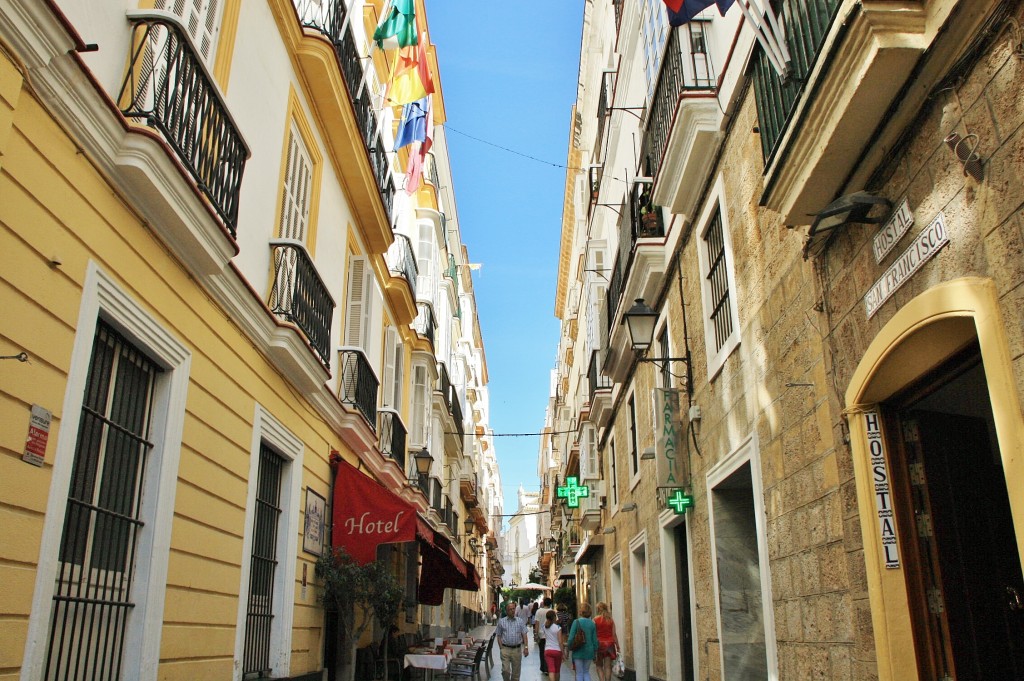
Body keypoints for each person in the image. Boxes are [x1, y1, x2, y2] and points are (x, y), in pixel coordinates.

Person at [496, 600, 530, 681]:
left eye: (513, 609)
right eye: (510, 609)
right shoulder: (502, 621)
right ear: (506, 611)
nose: (512, 611)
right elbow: (498, 635)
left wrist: (526, 647)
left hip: (517, 650)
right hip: (505, 649)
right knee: (505, 671)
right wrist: (501, 648)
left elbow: (524, 635)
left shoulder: (520, 621)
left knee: (516, 674)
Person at [566, 602, 598, 681]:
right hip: (589, 651)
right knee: (586, 672)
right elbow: (595, 640)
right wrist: (595, 651)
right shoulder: (592, 624)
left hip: (578, 650)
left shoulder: (576, 622)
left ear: (581, 611)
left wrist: (569, 647)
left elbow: (571, 638)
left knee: (579, 673)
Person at [593, 602, 619, 681]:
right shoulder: (610, 620)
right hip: (610, 645)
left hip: (599, 645)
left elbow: (593, 634)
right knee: (608, 666)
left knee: (599, 666)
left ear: (598, 610)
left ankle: (602, 680)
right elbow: (614, 634)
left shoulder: (595, 620)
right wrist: (618, 646)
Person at [542, 609, 565, 681]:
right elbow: (560, 641)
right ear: (554, 617)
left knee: (551, 670)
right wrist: (563, 653)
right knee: (557, 670)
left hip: (548, 650)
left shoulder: (544, 626)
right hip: (557, 651)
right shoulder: (558, 628)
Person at [534, 597, 553, 675]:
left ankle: (543, 668)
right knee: (549, 652)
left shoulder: (539, 611)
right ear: (550, 604)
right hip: (550, 635)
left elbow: (537, 623)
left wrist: (536, 634)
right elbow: (555, 622)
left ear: (543, 603)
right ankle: (549, 667)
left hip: (541, 635)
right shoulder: (552, 611)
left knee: (542, 652)